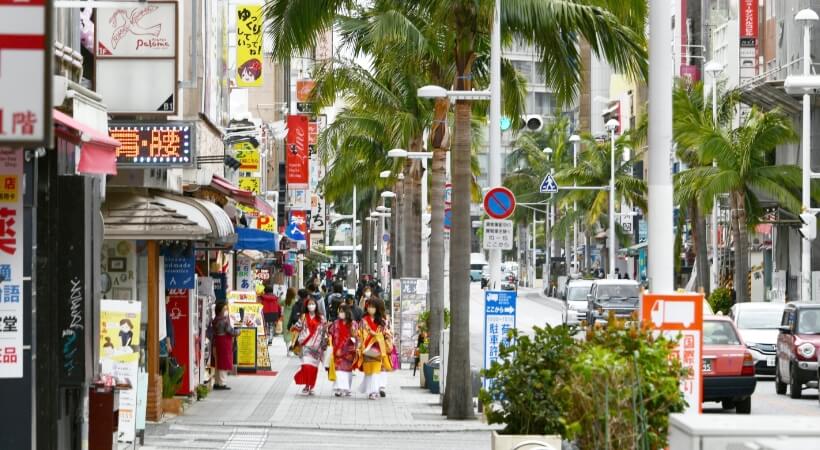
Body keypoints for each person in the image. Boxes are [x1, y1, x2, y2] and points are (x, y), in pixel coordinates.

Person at [357, 297, 393, 400]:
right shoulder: (363, 321)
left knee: (375, 370)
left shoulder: (382, 321)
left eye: (373, 307)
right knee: (369, 370)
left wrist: (381, 337)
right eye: (369, 306)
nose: (370, 309)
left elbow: (388, 333)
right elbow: (360, 334)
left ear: (377, 308)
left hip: (378, 348)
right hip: (366, 348)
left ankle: (373, 391)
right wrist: (359, 346)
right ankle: (370, 390)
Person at [290, 297, 327, 395]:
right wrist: (293, 342)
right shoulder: (303, 317)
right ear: (306, 306)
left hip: (317, 347)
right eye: (309, 304)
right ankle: (306, 385)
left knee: (313, 367)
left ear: (316, 306)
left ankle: (312, 386)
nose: (311, 306)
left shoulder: (321, 318)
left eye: (313, 304)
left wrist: (325, 344)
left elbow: (325, 332)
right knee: (306, 366)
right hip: (305, 345)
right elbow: (297, 328)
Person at [329, 303, 359, 397]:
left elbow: (357, 336)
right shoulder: (335, 323)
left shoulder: (353, 323)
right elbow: (331, 334)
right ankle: (339, 388)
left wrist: (355, 338)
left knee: (347, 371)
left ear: (347, 312)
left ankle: (346, 388)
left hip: (349, 351)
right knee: (338, 369)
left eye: (342, 311)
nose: (340, 313)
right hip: (337, 350)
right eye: (340, 311)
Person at [212, 302, 240, 390]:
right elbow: (231, 332)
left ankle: (216, 382)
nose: (226, 311)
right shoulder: (224, 321)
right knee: (224, 362)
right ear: (220, 310)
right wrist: (239, 331)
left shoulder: (215, 320)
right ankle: (222, 383)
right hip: (224, 342)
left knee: (217, 362)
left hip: (216, 342)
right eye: (224, 309)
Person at [281, 288, 297, 354]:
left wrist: (280, 295)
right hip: (293, 320)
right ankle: (292, 348)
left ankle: (288, 350)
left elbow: (278, 302)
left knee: (286, 334)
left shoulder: (284, 301)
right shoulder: (295, 301)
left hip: (285, 319)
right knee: (293, 334)